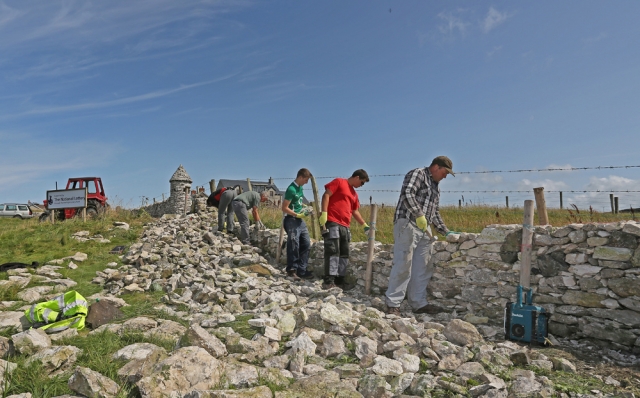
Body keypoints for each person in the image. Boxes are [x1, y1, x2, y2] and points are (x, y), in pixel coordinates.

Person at [385, 156, 458, 315]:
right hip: (408, 223)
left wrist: (446, 231)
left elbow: (434, 212)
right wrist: (419, 214)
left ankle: (419, 303)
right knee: (404, 263)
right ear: (436, 167)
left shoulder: (436, 187)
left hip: (425, 229)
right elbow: (408, 193)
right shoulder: (418, 174)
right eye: (445, 172)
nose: (445, 176)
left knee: (423, 266)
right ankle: (393, 303)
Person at [319, 169, 370, 289]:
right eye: (362, 183)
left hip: (345, 226)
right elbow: (326, 195)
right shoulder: (339, 182)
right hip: (333, 222)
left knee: (344, 254)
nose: (361, 186)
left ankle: (340, 281)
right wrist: (324, 213)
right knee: (333, 252)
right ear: (357, 177)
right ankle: (329, 281)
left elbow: (355, 211)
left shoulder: (354, 194)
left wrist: (364, 224)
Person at [282, 168, 314, 280]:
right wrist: (296, 214)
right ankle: (291, 270)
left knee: (306, 243)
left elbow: (298, 202)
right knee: (293, 243)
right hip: (291, 219)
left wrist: (304, 208)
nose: (306, 183)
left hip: (300, 220)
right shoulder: (291, 189)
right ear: (300, 177)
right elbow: (284, 208)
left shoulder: (300, 188)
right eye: (306, 180)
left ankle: (302, 270)